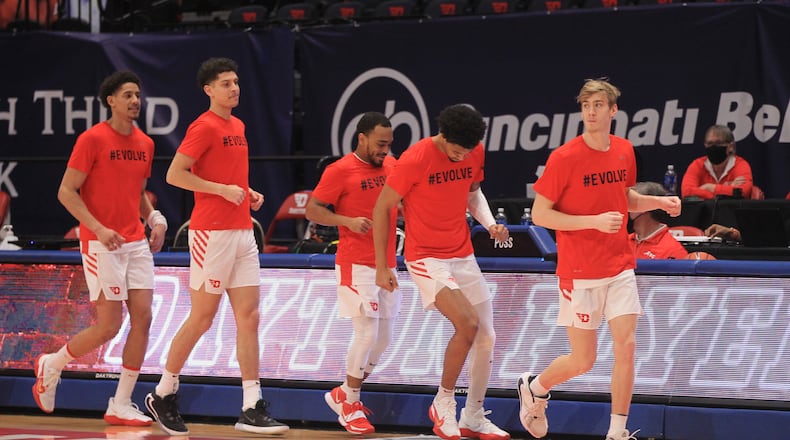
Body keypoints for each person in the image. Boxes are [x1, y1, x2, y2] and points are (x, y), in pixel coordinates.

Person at [517, 78, 681, 440]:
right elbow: (541, 215)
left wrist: (659, 202)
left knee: (627, 346)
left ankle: (617, 431)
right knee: (584, 361)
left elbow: (625, 199)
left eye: (597, 105)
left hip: (620, 263)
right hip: (580, 271)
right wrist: (591, 221)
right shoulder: (564, 157)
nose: (590, 112)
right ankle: (536, 386)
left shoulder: (624, 150)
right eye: (586, 105)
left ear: (612, 110)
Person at [144, 57, 288, 436]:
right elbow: (176, 175)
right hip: (211, 233)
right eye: (225, 83)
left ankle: (251, 406)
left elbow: (227, 174)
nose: (234, 88)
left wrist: (246, 193)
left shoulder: (238, 125)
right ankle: (163, 391)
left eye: (236, 82)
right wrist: (222, 191)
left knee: (250, 318)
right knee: (203, 318)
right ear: (208, 89)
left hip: (241, 231)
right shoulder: (203, 126)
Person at [33, 70, 167, 427]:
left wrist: (154, 217)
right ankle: (53, 363)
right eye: (127, 95)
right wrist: (98, 228)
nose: (135, 101)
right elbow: (65, 192)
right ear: (111, 100)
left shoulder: (146, 144)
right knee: (109, 325)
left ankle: (120, 403)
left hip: (135, 241)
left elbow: (136, 193)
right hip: (100, 242)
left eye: (137, 94)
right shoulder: (92, 139)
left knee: (144, 318)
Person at [373, 104, 511, 440]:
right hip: (425, 257)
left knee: (486, 338)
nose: (461, 156)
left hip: (462, 253)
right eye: (455, 150)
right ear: (442, 136)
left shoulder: (473, 151)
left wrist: (491, 224)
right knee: (467, 324)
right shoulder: (416, 158)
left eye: (467, 152)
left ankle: (474, 416)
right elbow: (382, 207)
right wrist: (382, 264)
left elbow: (473, 193)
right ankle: (443, 402)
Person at [305, 111, 399, 435]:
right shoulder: (340, 170)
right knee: (367, 333)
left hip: (386, 263)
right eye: (379, 144)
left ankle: (344, 392)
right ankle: (350, 403)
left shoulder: (392, 166)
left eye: (388, 145)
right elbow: (312, 209)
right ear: (362, 138)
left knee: (384, 338)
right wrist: (346, 221)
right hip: (355, 263)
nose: (384, 150)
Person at [680, 124, 753, 200]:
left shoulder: (740, 165)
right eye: (710, 143)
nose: (713, 147)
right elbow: (687, 192)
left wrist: (709, 187)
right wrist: (727, 190)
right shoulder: (697, 165)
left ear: (730, 146)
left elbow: (743, 192)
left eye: (718, 143)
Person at [628, 182, 687, 260]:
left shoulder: (673, 250)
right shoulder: (623, 242)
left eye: (632, 202)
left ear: (646, 207)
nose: (626, 206)